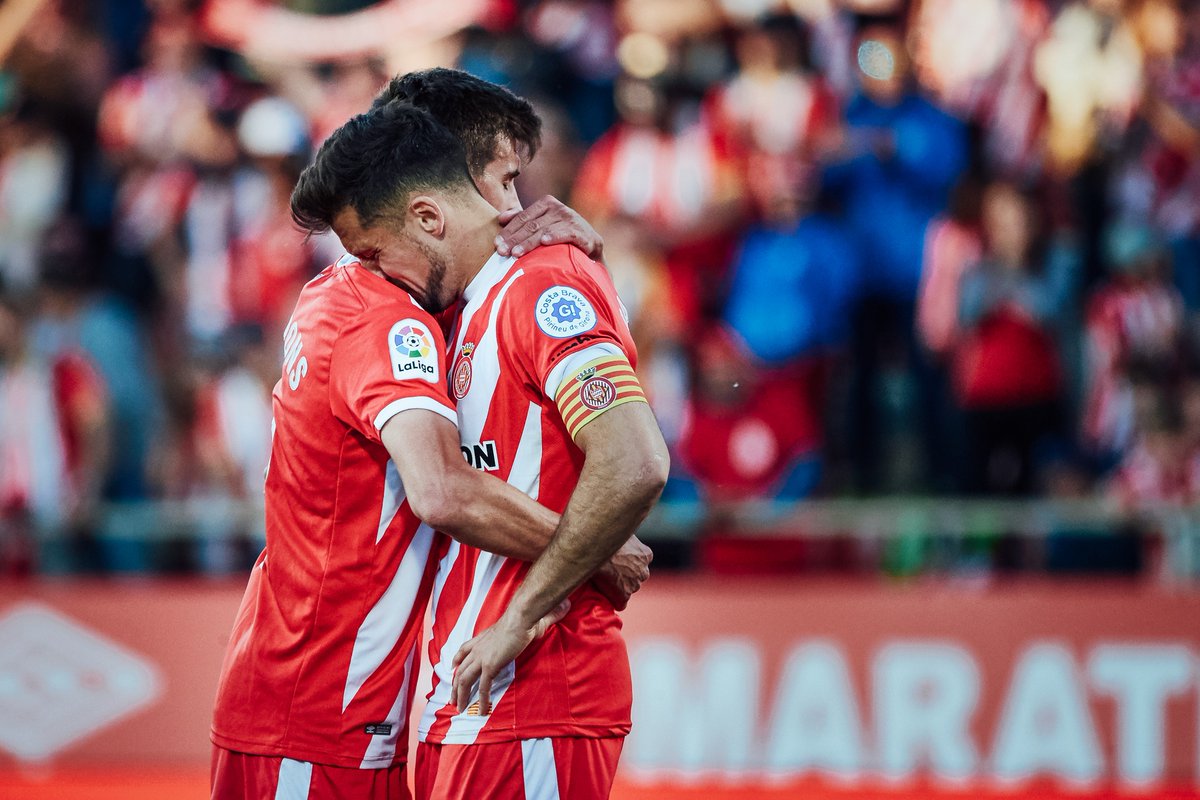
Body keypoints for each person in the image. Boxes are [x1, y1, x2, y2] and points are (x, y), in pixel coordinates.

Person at [210, 75, 650, 799]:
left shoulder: (472, 295)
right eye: (506, 179)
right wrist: (601, 550)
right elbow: (443, 489)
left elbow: (632, 454)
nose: (516, 206)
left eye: (518, 183)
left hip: (443, 702)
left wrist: (582, 259)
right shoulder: (386, 312)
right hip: (325, 708)